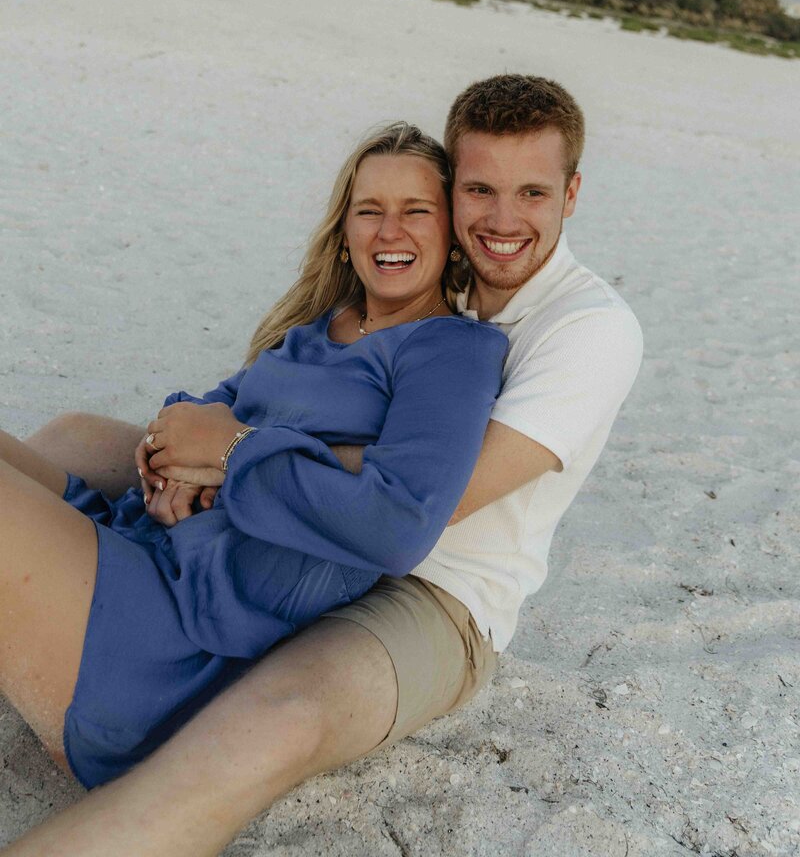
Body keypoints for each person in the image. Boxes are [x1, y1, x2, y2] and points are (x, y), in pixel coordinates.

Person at [4, 74, 643, 857]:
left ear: (571, 194)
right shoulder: (392, 303)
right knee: (71, 436)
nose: (502, 220)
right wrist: (187, 448)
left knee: (277, 721)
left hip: (437, 593)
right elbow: (246, 408)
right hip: (267, 531)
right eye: (479, 190)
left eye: (533, 194)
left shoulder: (578, 330)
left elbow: (420, 500)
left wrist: (233, 454)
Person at [0, 124, 507, 792]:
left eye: (416, 211)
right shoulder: (317, 329)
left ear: (450, 232)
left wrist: (234, 455)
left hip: (173, 637)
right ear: (345, 230)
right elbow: (197, 414)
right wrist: (168, 466)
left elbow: (400, 524)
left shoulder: (449, 351)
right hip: (139, 540)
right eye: (369, 211)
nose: (391, 231)